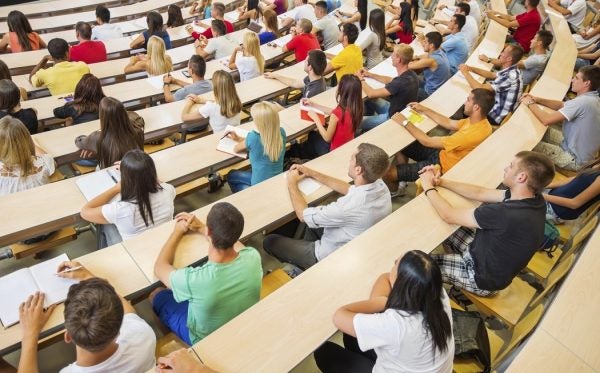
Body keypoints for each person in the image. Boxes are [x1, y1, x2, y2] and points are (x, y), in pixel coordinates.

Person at [420, 151, 555, 296]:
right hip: (488, 259)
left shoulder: (506, 213)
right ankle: (454, 281)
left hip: (480, 278)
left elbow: (449, 215)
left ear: (521, 177)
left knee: (417, 267)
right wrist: (440, 182)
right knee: (446, 227)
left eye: (511, 166)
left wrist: (427, 185)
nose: (505, 168)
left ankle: (446, 289)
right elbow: (481, 193)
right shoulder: (533, 199)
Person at [314, 250, 454, 373]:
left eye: (395, 264)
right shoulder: (436, 293)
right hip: (423, 365)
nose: (391, 267)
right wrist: (379, 302)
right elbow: (385, 277)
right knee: (351, 336)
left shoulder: (397, 324)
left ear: (401, 283)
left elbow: (339, 316)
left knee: (323, 352)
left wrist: (380, 302)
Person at [263, 143, 392, 270]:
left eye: (352, 158)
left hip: (330, 254)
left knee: (270, 241)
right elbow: (349, 189)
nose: (349, 159)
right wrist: (312, 173)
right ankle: (301, 262)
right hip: (354, 240)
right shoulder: (380, 186)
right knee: (312, 222)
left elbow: (303, 215)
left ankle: (306, 266)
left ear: (358, 170)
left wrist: (291, 182)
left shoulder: (348, 207)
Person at [151, 203, 263, 345]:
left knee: (156, 294)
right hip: (241, 322)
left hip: (204, 339)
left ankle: (174, 338)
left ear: (209, 232)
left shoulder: (194, 280)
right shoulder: (253, 256)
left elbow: (159, 267)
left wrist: (177, 232)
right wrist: (202, 227)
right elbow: (235, 244)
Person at [16, 264, 155, 372]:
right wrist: (91, 278)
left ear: (68, 336)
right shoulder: (144, 336)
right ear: (119, 330)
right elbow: (128, 312)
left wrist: (30, 334)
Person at [383, 89, 494, 194]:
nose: (465, 103)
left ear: (476, 107)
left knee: (387, 174)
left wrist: (405, 122)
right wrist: (424, 109)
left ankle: (396, 191)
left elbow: (427, 141)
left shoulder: (471, 135)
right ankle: (402, 178)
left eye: (468, 100)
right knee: (404, 143)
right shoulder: (481, 122)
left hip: (441, 167)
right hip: (442, 153)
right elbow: (450, 123)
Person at [80, 149, 175, 243]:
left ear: (126, 179)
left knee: (106, 224)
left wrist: (116, 188)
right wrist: (136, 170)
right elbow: (157, 183)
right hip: (164, 240)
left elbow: (84, 212)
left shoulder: (120, 209)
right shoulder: (169, 190)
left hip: (134, 252)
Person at [520, 65, 600, 171]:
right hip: (573, 147)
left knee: (526, 143)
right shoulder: (593, 98)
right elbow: (562, 105)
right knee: (540, 131)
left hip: (574, 159)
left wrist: (530, 103)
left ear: (587, 83)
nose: (572, 80)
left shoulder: (584, 102)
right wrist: (537, 99)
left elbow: (546, 120)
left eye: (576, 78)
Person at [291, 74, 363, 159]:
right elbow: (335, 113)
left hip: (334, 152)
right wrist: (314, 105)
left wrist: (316, 119)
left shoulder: (337, 113)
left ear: (342, 91)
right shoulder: (356, 106)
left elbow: (327, 138)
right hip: (347, 146)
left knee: (312, 135)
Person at [357, 43, 419, 132]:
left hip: (393, 117)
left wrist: (360, 79)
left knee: (354, 121)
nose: (391, 56)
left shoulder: (400, 82)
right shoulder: (411, 74)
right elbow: (390, 80)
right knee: (370, 100)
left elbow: (371, 93)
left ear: (399, 60)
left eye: (393, 54)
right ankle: (369, 128)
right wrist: (370, 74)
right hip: (398, 110)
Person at [458, 44, 524, 125]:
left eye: (503, 52)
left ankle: (466, 128)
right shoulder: (512, 69)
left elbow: (479, 88)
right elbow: (492, 75)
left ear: (509, 58)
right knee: (471, 100)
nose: (501, 54)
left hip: (496, 115)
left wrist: (465, 73)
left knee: (467, 107)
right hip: (499, 106)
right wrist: (470, 69)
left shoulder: (509, 76)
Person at [227, 102, 286, 192]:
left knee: (231, 174)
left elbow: (236, 149)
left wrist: (238, 140)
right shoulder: (281, 132)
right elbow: (263, 140)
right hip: (276, 181)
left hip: (258, 184)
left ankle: (245, 196)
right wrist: (239, 138)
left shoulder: (253, 137)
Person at [75, 97, 144, 169]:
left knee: (82, 160)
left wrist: (91, 143)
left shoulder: (97, 136)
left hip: (112, 173)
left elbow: (79, 141)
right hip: (135, 168)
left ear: (102, 116)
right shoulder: (136, 130)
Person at [0, 117, 54, 196]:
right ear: (27, 139)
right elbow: (47, 156)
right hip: (42, 205)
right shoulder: (43, 164)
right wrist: (30, 143)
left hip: (12, 208)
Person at [479, 30, 552, 86]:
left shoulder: (537, 60)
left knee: (482, 73)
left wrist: (488, 59)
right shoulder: (541, 55)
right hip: (512, 77)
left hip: (511, 82)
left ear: (539, 43)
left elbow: (507, 62)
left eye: (534, 39)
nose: (531, 40)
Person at [544, 159, 600, 223]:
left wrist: (544, 196)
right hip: (550, 198)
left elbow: (574, 204)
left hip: (556, 211)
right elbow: (573, 180)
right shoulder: (597, 165)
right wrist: (545, 186)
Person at [409, 32, 450, 100]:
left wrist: (406, 57)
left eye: (425, 42)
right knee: (411, 79)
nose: (423, 44)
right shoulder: (440, 52)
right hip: (437, 89)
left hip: (429, 94)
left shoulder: (432, 60)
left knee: (404, 87)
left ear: (431, 45)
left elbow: (409, 66)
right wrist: (415, 57)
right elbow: (426, 55)